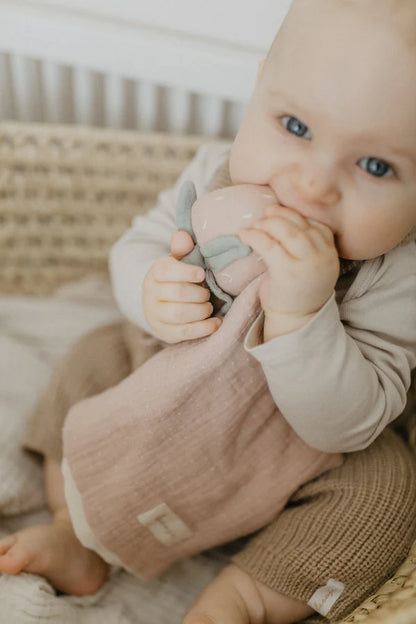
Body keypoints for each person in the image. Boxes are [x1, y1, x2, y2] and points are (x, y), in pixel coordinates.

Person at [1, 0, 416, 622]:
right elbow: (139, 244)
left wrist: (303, 312)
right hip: (164, 400)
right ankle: (77, 531)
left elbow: (346, 426)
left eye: (377, 166)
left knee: (384, 492)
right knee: (97, 351)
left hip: (295, 466)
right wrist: (153, 289)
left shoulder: (398, 277)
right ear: (257, 91)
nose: (310, 184)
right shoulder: (215, 177)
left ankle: (241, 600)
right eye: (296, 128)